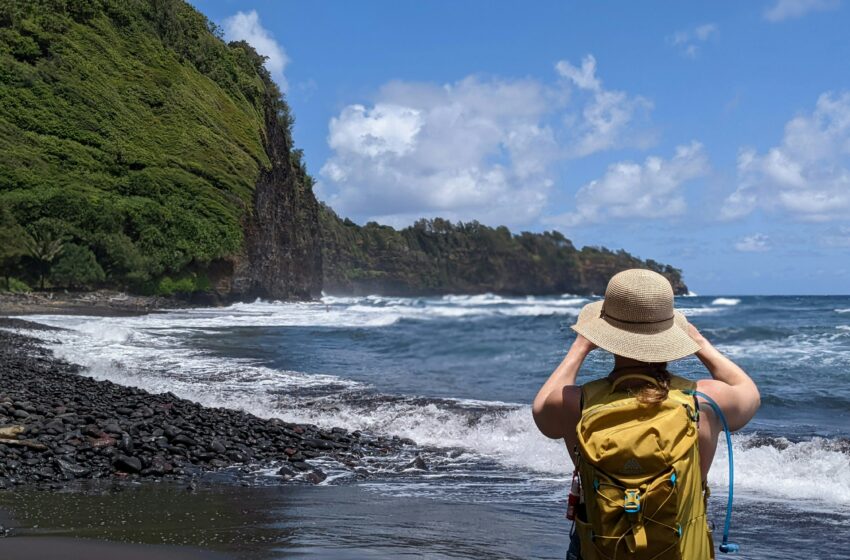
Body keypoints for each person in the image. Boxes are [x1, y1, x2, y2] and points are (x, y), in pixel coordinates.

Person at [532, 269, 760, 559]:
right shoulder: (703, 401)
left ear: (603, 335)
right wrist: (700, 344)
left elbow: (540, 411)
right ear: (670, 334)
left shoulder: (574, 403)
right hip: (680, 549)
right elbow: (749, 393)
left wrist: (580, 346)